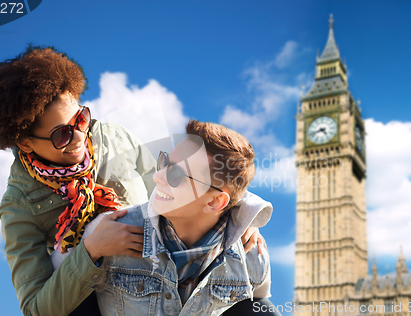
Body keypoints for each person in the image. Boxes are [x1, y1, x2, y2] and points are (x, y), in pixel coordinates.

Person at [0, 46, 264, 316]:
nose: (80, 137)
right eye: (61, 135)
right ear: (26, 142)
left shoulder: (114, 138)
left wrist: (237, 218)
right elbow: (36, 308)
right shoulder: (19, 206)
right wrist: (91, 250)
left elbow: (178, 185)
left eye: (81, 119)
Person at [90, 120, 281, 315]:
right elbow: (62, 299)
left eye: (176, 174)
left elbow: (258, 305)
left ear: (215, 202)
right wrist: (90, 252)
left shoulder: (251, 255)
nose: (157, 177)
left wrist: (245, 221)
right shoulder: (110, 233)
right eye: (165, 162)